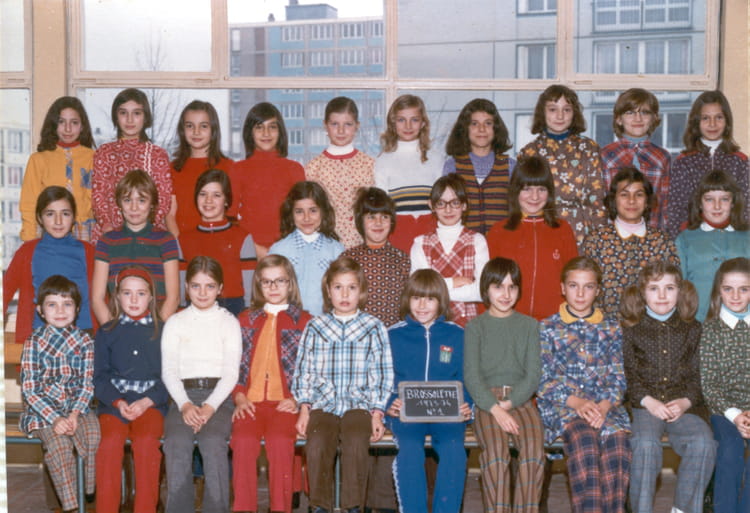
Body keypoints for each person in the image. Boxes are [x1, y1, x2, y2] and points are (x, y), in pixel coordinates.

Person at [292, 256, 394, 513]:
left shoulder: (373, 327)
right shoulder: (316, 326)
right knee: (316, 443)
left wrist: (377, 412)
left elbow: (381, 374)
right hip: (323, 404)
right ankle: (319, 505)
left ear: (362, 292)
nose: (345, 294)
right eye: (338, 287)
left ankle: (353, 505)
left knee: (357, 441)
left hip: (358, 405)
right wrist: (304, 408)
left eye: (351, 287)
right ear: (328, 291)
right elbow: (304, 371)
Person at [536, 256, 631, 513]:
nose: (580, 293)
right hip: (564, 407)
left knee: (618, 442)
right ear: (562, 288)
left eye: (588, 286)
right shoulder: (547, 328)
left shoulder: (611, 328)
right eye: (573, 286)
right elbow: (543, 380)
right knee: (586, 442)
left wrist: (604, 406)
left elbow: (618, 378)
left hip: (604, 408)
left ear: (597, 290)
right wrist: (577, 403)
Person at [620, 262, 716, 513]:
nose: (662, 295)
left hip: (683, 406)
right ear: (642, 293)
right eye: (654, 288)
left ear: (680, 291)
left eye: (669, 288)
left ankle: (683, 509)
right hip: (645, 406)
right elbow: (628, 374)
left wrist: (686, 401)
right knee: (645, 444)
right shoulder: (631, 330)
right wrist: (647, 401)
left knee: (703, 442)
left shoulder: (693, 329)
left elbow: (700, 375)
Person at [386, 269, 472, 513]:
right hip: (406, 414)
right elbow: (382, 377)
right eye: (416, 298)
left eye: (430, 299)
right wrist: (389, 402)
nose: (422, 305)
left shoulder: (457, 334)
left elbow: (466, 377)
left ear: (441, 301)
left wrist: (467, 404)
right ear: (407, 299)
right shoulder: (392, 335)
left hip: (447, 414)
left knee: (455, 451)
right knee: (409, 451)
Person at [231, 255, 312, 513]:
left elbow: (312, 368)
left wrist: (297, 399)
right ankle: (244, 508)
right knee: (242, 441)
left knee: (280, 442)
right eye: (266, 282)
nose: (273, 287)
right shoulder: (246, 320)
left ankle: (280, 508)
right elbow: (234, 365)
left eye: (280, 281)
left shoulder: (304, 321)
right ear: (258, 285)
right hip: (250, 402)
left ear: (290, 283)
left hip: (283, 403)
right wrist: (239, 396)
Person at [161, 256, 242, 513]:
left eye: (210, 286)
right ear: (186, 287)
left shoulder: (229, 322)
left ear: (220, 288)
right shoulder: (175, 322)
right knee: (176, 441)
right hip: (182, 396)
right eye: (196, 286)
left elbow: (231, 372)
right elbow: (169, 371)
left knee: (213, 441)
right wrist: (185, 405)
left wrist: (210, 407)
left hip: (219, 398)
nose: (203, 293)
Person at [463, 258, 544, 513]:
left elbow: (533, 375)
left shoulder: (530, 326)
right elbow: (471, 376)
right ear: (486, 290)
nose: (506, 294)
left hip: (520, 399)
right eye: (498, 287)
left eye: (512, 287)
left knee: (533, 452)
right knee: (496, 454)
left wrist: (509, 404)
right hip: (487, 402)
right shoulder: (475, 327)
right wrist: (496, 408)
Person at [20, 275, 100, 513]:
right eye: (52, 304)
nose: (60, 311)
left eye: (67, 304)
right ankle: (71, 506)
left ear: (77, 308)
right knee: (60, 446)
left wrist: (74, 414)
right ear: (40, 310)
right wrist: (56, 419)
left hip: (77, 408)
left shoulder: (85, 341)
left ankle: (88, 490)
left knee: (93, 433)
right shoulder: (34, 342)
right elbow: (30, 390)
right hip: (44, 412)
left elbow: (87, 383)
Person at [94, 266, 168, 513]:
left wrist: (147, 401)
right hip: (115, 406)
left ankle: (145, 508)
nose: (134, 300)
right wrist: (117, 402)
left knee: (146, 444)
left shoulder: (163, 331)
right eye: (127, 293)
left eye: (141, 293)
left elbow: (170, 378)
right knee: (109, 444)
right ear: (117, 297)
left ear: (151, 297)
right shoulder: (107, 332)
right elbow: (100, 378)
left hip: (151, 405)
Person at [486, 154, 578, 320]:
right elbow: (486, 285)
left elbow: (574, 280)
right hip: (510, 321)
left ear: (550, 193)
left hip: (554, 323)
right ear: (515, 191)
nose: (534, 197)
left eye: (541, 189)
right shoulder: (498, 231)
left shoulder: (563, 230)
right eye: (527, 189)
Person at [4, 187, 96, 347]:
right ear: (40, 218)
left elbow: (104, 296)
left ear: (74, 217)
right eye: (50, 214)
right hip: (40, 336)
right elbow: (5, 290)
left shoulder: (89, 251)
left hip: (84, 334)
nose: (58, 221)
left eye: (65, 214)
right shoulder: (27, 251)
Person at [519, 85, 608, 245]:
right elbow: (522, 200)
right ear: (542, 112)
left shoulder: (588, 148)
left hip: (581, 231)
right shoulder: (529, 152)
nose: (560, 116)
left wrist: (600, 238)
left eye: (566, 110)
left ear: (574, 113)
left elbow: (597, 198)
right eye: (553, 109)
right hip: (542, 227)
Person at [582, 167, 679, 315]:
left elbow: (674, 288)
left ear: (647, 201)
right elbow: (588, 290)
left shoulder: (662, 241)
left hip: (653, 325)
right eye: (624, 194)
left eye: (638, 195)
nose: (631, 201)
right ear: (614, 200)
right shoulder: (597, 240)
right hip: (608, 325)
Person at [91, 169, 180, 324]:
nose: (134, 208)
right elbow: (97, 299)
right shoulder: (107, 241)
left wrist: (156, 329)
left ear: (152, 204)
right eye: (127, 200)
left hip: (156, 325)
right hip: (118, 325)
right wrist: (112, 330)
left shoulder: (166, 240)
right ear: (119, 203)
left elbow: (174, 297)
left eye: (141, 200)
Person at [699, 257, 750, 513]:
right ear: (719, 291)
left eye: (744, 289)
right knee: (731, 449)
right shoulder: (710, 330)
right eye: (728, 289)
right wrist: (736, 415)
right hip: (723, 411)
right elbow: (709, 384)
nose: (736, 296)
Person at [91, 87, 172, 242]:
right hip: (111, 233)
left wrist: (147, 229)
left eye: (136, 113)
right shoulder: (104, 152)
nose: (129, 120)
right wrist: (108, 228)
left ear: (145, 117)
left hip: (148, 233)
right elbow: (98, 196)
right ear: (116, 117)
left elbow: (163, 199)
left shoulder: (157, 154)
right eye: (123, 113)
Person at [666, 90, 750, 238]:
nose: (712, 124)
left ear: (727, 121)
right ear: (696, 122)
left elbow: (746, 206)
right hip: (694, 240)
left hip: (733, 239)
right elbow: (675, 210)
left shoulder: (740, 161)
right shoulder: (684, 162)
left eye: (719, 117)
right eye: (705, 118)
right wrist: (681, 242)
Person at [410, 173, 489, 327]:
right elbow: (419, 289)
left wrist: (435, 290)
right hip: (431, 324)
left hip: (468, 325)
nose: (448, 209)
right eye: (441, 203)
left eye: (455, 203)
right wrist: (454, 282)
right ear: (431, 205)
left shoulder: (477, 241)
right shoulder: (420, 243)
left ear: (464, 205)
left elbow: (482, 291)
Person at [179, 169, 258, 314]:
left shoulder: (242, 237)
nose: (208, 200)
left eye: (216, 195)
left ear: (226, 200)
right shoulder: (184, 239)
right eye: (203, 194)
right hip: (195, 309)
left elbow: (250, 287)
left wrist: (247, 313)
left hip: (233, 309)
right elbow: (181, 288)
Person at [676, 169, 750, 320]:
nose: (717, 206)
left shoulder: (747, 237)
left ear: (733, 203)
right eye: (709, 199)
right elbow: (678, 286)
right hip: (697, 320)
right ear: (700, 203)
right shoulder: (685, 239)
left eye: (724, 199)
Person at [231, 102, 305, 250]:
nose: (266, 133)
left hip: (287, 249)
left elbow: (302, 215)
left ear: (280, 132)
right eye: (259, 127)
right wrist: (254, 249)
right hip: (249, 250)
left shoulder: (294, 169)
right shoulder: (237, 169)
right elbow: (230, 216)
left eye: (272, 127)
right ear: (250, 133)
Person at [20, 96, 95, 241]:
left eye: (74, 122)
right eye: (61, 122)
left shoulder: (93, 158)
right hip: (48, 233)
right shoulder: (38, 159)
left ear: (82, 126)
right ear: (53, 124)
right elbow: (29, 204)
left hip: (84, 234)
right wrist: (30, 239)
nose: (68, 128)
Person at [375, 94, 443, 252]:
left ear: (423, 123)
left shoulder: (436, 158)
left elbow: (441, 202)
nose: (408, 126)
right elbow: (383, 207)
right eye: (401, 120)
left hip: (431, 233)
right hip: (397, 234)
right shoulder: (383, 160)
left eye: (414, 120)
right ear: (393, 123)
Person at [305, 96, 375, 248]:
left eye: (348, 124)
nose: (341, 130)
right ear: (325, 125)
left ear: (357, 125)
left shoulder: (370, 165)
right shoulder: (313, 168)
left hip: (363, 244)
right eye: (335, 124)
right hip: (325, 244)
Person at [269, 181, 344, 316]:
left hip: (325, 321)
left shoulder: (336, 250)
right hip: (289, 322)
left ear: (323, 212)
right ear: (291, 214)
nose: (306, 218)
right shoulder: (279, 250)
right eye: (299, 212)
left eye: (313, 210)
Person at [600, 88, 671, 230]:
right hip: (613, 234)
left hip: (651, 233)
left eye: (645, 112)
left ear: (654, 118)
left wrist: (664, 235)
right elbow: (600, 200)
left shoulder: (662, 157)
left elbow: (665, 202)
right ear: (619, 119)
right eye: (630, 112)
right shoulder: (605, 155)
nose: (638, 119)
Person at [443, 98, 515, 235]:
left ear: (496, 128)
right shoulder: (452, 166)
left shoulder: (510, 166)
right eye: (474, 123)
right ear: (465, 129)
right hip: (464, 243)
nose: (482, 129)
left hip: (502, 242)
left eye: (488, 123)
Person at [343, 187, 411, 328]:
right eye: (371, 217)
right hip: (357, 333)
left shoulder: (402, 259)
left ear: (392, 221)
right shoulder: (348, 258)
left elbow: (407, 304)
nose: (378, 223)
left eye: (384, 217)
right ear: (360, 221)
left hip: (392, 333)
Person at [168, 100, 233, 236]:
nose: (196, 132)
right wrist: (179, 244)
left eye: (203, 126)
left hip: (217, 241)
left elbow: (231, 213)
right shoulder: (172, 169)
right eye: (190, 126)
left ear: (213, 130)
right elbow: (170, 215)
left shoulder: (229, 167)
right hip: (182, 242)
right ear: (182, 130)